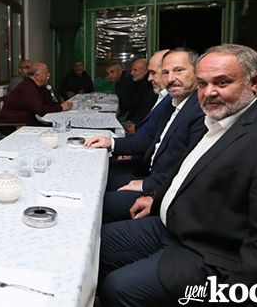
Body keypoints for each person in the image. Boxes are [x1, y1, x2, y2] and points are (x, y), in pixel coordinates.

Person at [98, 44, 257, 306]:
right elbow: (189, 173)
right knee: (94, 245)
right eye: (203, 84)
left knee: (120, 287)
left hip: (212, 256)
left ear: (255, 83)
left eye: (222, 82)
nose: (209, 93)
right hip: (176, 226)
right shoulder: (219, 119)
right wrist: (157, 198)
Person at [86, 48, 206, 223]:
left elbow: (191, 167)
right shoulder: (173, 103)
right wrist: (111, 143)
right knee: (91, 180)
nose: (171, 78)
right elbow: (152, 141)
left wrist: (146, 185)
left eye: (179, 70)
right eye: (165, 72)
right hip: (149, 174)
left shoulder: (201, 110)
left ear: (197, 71)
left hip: (161, 189)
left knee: (92, 205)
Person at [0, 62, 73, 126]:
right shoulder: (27, 88)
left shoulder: (41, 86)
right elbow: (40, 110)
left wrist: (61, 105)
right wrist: (61, 107)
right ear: (37, 76)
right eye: (46, 72)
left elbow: (49, 102)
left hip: (30, 120)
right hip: (14, 123)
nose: (49, 75)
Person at [126, 58, 156, 124]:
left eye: (135, 70)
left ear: (145, 71)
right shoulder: (139, 83)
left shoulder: (150, 87)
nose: (131, 73)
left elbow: (145, 109)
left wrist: (135, 125)